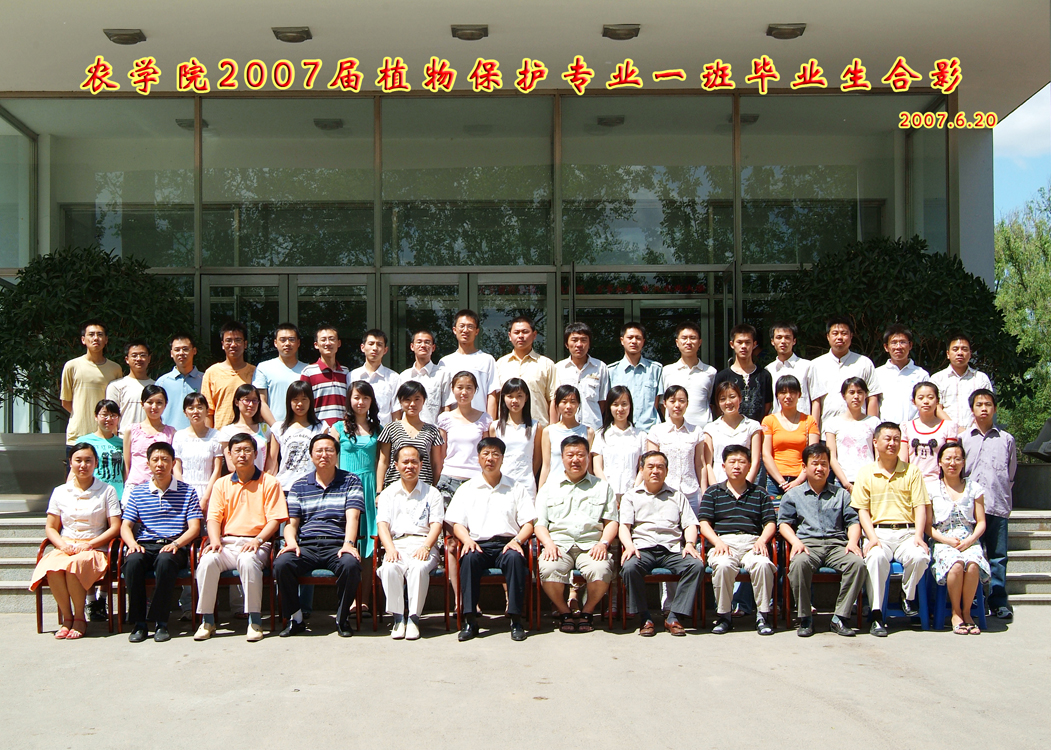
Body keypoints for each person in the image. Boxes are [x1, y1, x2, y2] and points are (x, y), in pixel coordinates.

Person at [195, 433, 288, 642]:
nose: (242, 455)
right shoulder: (221, 484)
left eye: (247, 450)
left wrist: (258, 540)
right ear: (229, 454)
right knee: (207, 561)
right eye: (237, 450)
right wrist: (215, 540)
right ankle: (207, 621)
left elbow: (275, 520)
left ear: (255, 454)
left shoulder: (270, 482)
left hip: (257, 543)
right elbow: (213, 518)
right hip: (227, 544)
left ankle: (255, 621)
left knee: (247, 561)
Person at [273, 433, 364, 638]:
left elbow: (353, 517)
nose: (324, 455)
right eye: (319, 451)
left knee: (351, 565)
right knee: (282, 563)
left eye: (329, 450)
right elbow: (291, 524)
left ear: (337, 454)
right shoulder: (299, 485)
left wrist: (349, 543)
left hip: (337, 545)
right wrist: (291, 542)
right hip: (307, 546)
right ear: (311, 456)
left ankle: (342, 618)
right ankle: (295, 618)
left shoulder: (351, 481)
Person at [29, 442, 121, 639]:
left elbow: (115, 527)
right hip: (66, 546)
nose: (83, 465)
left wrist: (90, 544)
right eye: (78, 460)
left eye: (88, 460)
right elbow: (51, 527)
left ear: (96, 463)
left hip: (94, 548)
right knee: (53, 566)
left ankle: (80, 617)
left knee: (74, 566)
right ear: (70, 463)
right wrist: (62, 545)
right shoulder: (60, 491)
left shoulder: (107, 491)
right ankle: (67, 618)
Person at [448, 437, 535, 642]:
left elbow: (529, 523)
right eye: (485, 454)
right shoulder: (467, 488)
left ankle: (516, 620)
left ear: (502, 458)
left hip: (507, 543)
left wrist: (517, 541)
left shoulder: (515, 487)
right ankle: (470, 620)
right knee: (468, 559)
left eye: (495, 454)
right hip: (478, 544)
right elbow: (457, 523)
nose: (490, 458)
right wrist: (467, 540)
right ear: (478, 458)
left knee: (515, 559)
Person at [850, 421, 931, 637]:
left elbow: (920, 506)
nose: (892, 443)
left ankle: (907, 595)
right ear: (875, 442)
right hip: (879, 533)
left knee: (920, 556)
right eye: (887, 439)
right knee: (875, 558)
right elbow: (862, 510)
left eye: (896, 439)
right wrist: (872, 537)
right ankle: (877, 615)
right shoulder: (865, 473)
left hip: (907, 532)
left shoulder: (912, 471)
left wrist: (919, 535)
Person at [777, 443, 866, 637]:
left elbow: (853, 522)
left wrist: (852, 542)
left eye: (824, 464)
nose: (820, 468)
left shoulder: (841, 494)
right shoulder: (793, 495)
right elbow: (783, 523)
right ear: (804, 467)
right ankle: (805, 618)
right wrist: (795, 542)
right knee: (798, 564)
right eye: (815, 463)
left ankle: (840, 617)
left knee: (857, 564)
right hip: (808, 545)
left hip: (837, 545)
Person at [534, 435, 618, 634]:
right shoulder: (548, 488)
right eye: (570, 455)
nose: (575, 460)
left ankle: (587, 612)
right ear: (562, 458)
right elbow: (540, 524)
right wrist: (548, 543)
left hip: (591, 546)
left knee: (601, 569)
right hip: (558, 545)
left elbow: (612, 521)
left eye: (580, 455)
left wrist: (603, 543)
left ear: (588, 457)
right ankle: (564, 612)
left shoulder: (602, 487)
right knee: (548, 568)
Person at [121, 442, 202, 643]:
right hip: (145, 544)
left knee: (165, 560)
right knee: (132, 562)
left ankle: (161, 622)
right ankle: (139, 623)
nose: (160, 464)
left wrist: (176, 544)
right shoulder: (138, 492)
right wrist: (132, 544)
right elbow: (125, 526)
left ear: (173, 463)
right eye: (155, 460)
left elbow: (194, 528)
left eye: (165, 459)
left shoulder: (187, 491)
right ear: (148, 464)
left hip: (174, 545)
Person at [619, 451, 704, 637]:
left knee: (696, 565)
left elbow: (690, 524)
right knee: (630, 567)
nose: (655, 471)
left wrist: (690, 543)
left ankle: (674, 616)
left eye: (660, 467)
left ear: (666, 471)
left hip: (672, 549)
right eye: (650, 467)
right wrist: (629, 546)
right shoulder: (631, 496)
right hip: (642, 549)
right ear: (642, 469)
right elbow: (624, 526)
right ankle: (645, 618)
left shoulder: (677, 496)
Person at [698, 444, 777, 635]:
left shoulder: (760, 493)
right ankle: (724, 616)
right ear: (723, 466)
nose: (737, 466)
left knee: (763, 565)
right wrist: (717, 542)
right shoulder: (713, 492)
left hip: (753, 542)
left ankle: (763, 616)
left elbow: (770, 522)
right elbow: (704, 523)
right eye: (732, 462)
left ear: (749, 466)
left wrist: (762, 540)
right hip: (724, 543)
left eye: (742, 462)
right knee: (723, 565)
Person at [375, 445, 445, 640]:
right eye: (405, 462)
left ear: (421, 464)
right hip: (396, 544)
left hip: (423, 543)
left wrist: (426, 547)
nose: (409, 466)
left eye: (414, 462)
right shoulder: (388, 493)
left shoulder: (432, 493)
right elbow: (382, 525)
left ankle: (414, 619)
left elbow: (436, 524)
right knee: (389, 568)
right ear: (396, 465)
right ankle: (398, 619)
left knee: (418, 567)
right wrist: (389, 548)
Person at [960, 389, 1016, 620]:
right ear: (972, 409)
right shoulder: (963, 439)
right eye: (979, 404)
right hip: (969, 510)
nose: (984, 408)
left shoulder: (1007, 439)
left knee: (998, 556)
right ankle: (973, 600)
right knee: (971, 555)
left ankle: (998, 601)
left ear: (995, 408)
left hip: (997, 505)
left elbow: (1010, 474)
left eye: (988, 404)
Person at [927, 442, 990, 634]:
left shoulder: (974, 488)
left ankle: (967, 612)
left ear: (963, 462)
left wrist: (970, 541)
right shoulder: (931, 488)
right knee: (955, 563)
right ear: (940, 462)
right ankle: (956, 612)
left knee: (973, 563)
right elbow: (928, 526)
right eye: (948, 458)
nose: (952, 463)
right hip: (943, 540)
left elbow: (981, 522)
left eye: (957, 459)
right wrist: (946, 541)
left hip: (969, 539)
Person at [331, 381, 382, 559]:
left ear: (371, 401)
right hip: (344, 484)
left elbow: (381, 461)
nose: (361, 402)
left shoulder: (378, 429)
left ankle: (367, 577)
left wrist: (379, 491)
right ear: (349, 400)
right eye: (357, 397)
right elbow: (331, 460)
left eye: (365, 398)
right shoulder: (338, 428)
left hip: (369, 485)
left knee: (369, 535)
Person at [808, 316, 880, 431]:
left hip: (859, 431)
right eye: (835, 333)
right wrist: (814, 433)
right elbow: (815, 401)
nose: (839, 337)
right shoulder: (815, 365)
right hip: (826, 431)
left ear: (851, 336)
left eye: (844, 333)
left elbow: (872, 397)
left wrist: (871, 430)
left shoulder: (864, 363)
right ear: (828, 336)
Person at [60, 320, 123, 452]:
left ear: (106, 340)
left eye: (100, 334)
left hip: (106, 437)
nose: (96, 338)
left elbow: (117, 403)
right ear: (83, 339)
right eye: (91, 334)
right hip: (78, 436)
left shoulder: (115, 369)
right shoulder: (71, 366)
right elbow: (66, 402)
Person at [436, 372, 493, 504]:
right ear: (452, 389)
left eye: (469, 388)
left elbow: (486, 452)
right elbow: (441, 454)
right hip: (449, 479)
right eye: (460, 387)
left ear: (475, 390)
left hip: (475, 479)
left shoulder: (485, 419)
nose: (464, 392)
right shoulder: (445, 418)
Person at [646, 385, 705, 513]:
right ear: (665, 403)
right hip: (664, 491)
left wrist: (704, 493)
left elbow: (700, 465)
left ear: (687, 403)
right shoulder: (656, 431)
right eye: (672, 401)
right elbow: (652, 465)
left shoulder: (696, 431)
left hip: (691, 492)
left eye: (681, 401)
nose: (677, 405)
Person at [377, 381, 445, 490]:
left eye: (417, 399)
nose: (412, 404)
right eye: (407, 399)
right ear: (400, 401)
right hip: (394, 488)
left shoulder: (432, 431)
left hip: (423, 489)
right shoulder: (390, 428)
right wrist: (379, 491)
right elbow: (383, 461)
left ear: (423, 401)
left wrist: (436, 489)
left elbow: (436, 464)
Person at [761, 375, 819, 501]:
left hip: (803, 480)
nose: (788, 396)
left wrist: (798, 481)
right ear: (777, 395)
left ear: (799, 394)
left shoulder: (809, 421)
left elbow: (813, 455)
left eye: (792, 392)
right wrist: (782, 482)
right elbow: (766, 454)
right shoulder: (768, 421)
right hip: (775, 482)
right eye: (783, 392)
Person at [495, 316, 556, 427]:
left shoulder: (547, 364)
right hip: (507, 429)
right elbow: (495, 399)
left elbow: (553, 400)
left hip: (539, 429)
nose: (520, 336)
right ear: (510, 336)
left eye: (525, 332)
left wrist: (552, 430)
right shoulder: (500, 364)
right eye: (516, 332)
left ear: (534, 335)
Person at [591, 386, 647, 504]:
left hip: (633, 495)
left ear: (630, 406)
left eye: (624, 404)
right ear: (609, 407)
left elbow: (642, 468)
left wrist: (634, 491)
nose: (620, 409)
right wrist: (609, 493)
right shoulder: (601, 435)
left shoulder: (640, 436)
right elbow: (597, 468)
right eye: (615, 404)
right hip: (607, 495)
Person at [436, 309, 499, 415]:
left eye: (470, 326)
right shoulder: (445, 362)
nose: (465, 330)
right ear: (454, 330)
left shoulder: (487, 360)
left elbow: (492, 395)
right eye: (462, 326)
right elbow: (443, 397)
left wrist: (490, 422)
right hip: (453, 421)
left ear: (477, 331)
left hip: (480, 421)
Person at [267, 380, 325, 493]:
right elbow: (272, 461)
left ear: (310, 401)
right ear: (289, 402)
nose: (300, 404)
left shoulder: (321, 427)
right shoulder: (279, 428)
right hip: (285, 486)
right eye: (295, 400)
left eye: (304, 399)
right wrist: (268, 485)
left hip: (313, 486)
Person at [488, 378, 542, 499]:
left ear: (526, 398)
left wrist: (528, 474)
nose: (514, 400)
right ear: (503, 398)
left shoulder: (535, 426)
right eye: (510, 396)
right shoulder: (495, 427)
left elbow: (537, 459)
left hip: (526, 484)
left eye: (519, 396)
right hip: (502, 483)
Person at [122, 385, 176, 505]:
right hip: (135, 486)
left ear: (165, 405)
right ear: (142, 404)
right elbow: (127, 464)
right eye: (150, 402)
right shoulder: (131, 430)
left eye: (159, 403)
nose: (154, 407)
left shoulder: (171, 432)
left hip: (162, 488)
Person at [825, 378, 881, 493]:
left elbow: (878, 455)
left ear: (865, 395)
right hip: (842, 482)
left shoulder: (874, 422)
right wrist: (846, 484)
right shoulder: (832, 423)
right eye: (851, 392)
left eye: (860, 392)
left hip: (869, 481)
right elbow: (832, 457)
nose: (856, 396)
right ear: (844, 395)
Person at [703, 381, 762, 488]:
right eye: (723, 399)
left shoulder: (752, 426)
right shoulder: (710, 428)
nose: (728, 402)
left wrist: (745, 487)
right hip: (719, 482)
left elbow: (755, 461)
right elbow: (708, 464)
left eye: (732, 397)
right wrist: (716, 489)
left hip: (745, 483)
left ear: (740, 398)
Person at [552, 321, 610, 431]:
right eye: (574, 340)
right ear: (566, 344)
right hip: (566, 430)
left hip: (593, 429)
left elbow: (603, 402)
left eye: (584, 340)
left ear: (589, 343)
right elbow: (555, 402)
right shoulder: (558, 368)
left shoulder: (600, 367)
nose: (579, 344)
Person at [931, 333, 994, 434]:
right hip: (946, 434)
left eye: (964, 349)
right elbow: (936, 409)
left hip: (976, 434)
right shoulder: (937, 379)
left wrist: (971, 432)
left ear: (970, 353)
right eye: (955, 349)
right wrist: (957, 429)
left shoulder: (981, 378)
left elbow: (987, 407)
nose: (960, 353)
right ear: (948, 354)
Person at [899, 381, 957, 490]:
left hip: (940, 486)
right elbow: (903, 460)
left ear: (937, 401)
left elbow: (951, 458)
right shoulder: (906, 427)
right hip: (912, 484)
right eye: (920, 398)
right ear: (913, 402)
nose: (925, 401)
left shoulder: (948, 426)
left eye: (930, 397)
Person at [660, 321, 717, 428]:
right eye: (684, 338)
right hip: (673, 430)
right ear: (677, 342)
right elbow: (663, 404)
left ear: (700, 342)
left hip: (703, 430)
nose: (688, 342)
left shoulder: (710, 372)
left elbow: (712, 404)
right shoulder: (667, 371)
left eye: (693, 338)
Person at [712, 324, 773, 423]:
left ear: (754, 344)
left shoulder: (764, 375)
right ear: (732, 344)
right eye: (739, 342)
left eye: (747, 342)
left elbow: (767, 405)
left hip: (758, 428)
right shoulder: (722, 377)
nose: (743, 346)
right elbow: (717, 407)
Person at [202, 321, 257, 430]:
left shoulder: (255, 372)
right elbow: (208, 411)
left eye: (238, 340)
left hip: (249, 434)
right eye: (228, 341)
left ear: (245, 344)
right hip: (221, 434)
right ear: (222, 344)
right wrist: (208, 437)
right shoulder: (212, 372)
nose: (233, 345)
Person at [608, 322, 663, 431]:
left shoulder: (655, 369)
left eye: (638, 338)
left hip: (649, 431)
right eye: (630, 337)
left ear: (643, 342)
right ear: (622, 340)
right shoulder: (611, 371)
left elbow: (656, 404)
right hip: (622, 431)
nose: (634, 341)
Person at [172, 393, 222, 512]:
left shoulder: (216, 435)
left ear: (207, 411)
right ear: (185, 412)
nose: (196, 412)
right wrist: (184, 494)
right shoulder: (179, 436)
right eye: (191, 408)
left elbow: (217, 470)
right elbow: (176, 468)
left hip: (209, 491)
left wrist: (205, 499)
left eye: (200, 407)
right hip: (183, 493)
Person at [875, 324, 930, 426]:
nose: (898, 346)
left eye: (903, 342)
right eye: (894, 342)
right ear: (886, 347)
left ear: (910, 345)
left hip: (915, 429)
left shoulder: (921, 374)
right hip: (886, 430)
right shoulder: (877, 373)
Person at [538, 384, 592, 488]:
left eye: (573, 402)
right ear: (557, 405)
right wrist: (540, 491)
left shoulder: (588, 432)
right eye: (564, 402)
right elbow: (546, 466)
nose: (568, 406)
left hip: (581, 488)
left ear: (578, 404)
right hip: (555, 487)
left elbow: (588, 467)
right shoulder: (548, 431)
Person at [252, 323, 306, 424]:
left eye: (291, 339)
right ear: (275, 343)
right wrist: (275, 426)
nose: (287, 343)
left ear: (298, 343)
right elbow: (261, 401)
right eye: (283, 340)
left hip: (302, 428)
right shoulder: (264, 367)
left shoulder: (307, 369)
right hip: (272, 428)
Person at [300, 324, 350, 427]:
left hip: (343, 429)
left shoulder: (346, 372)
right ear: (316, 345)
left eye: (332, 339)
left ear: (339, 343)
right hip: (318, 428)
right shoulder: (308, 372)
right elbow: (302, 401)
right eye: (323, 340)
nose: (328, 343)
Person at [398, 328, 449, 426]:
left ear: (433, 348)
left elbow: (446, 408)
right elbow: (398, 410)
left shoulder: (442, 374)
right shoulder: (404, 376)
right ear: (412, 346)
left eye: (427, 342)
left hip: (432, 431)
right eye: (419, 342)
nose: (423, 345)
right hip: (406, 431)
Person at [105, 339, 155, 436]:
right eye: (134, 355)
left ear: (149, 358)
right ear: (127, 359)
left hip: (151, 438)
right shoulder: (116, 386)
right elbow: (111, 417)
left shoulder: (157, 386)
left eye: (143, 355)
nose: (139, 358)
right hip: (123, 439)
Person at [351, 329, 399, 426]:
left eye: (379, 344)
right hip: (357, 432)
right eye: (371, 344)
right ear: (362, 347)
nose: (375, 348)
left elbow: (396, 412)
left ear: (385, 350)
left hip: (384, 432)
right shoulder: (352, 376)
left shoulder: (394, 378)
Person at [218, 384, 270, 473]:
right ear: (236, 402)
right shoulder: (227, 431)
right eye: (247, 400)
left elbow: (270, 461)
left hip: (262, 480)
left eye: (254, 400)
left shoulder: (265, 428)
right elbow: (231, 465)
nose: (251, 404)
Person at [79, 399, 124, 501]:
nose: (109, 419)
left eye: (113, 415)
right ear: (96, 416)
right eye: (104, 415)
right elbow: (75, 470)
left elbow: (126, 471)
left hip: (117, 496)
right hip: (91, 495)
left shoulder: (122, 443)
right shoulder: (84, 441)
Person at [156, 333, 203, 431]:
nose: (181, 353)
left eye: (185, 349)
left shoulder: (205, 379)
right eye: (177, 350)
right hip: (169, 436)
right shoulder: (162, 382)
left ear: (194, 351)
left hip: (199, 436)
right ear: (171, 353)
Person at [766, 322, 812, 415]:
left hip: (803, 421)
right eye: (779, 337)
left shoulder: (807, 366)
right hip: (777, 422)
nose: (783, 341)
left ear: (794, 341)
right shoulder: (768, 370)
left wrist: (814, 422)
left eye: (787, 337)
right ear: (772, 341)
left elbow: (816, 399)